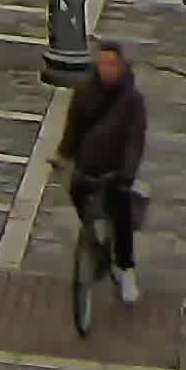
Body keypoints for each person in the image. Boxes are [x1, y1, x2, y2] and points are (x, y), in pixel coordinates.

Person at [55, 38, 150, 303]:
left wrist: (127, 172)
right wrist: (63, 155)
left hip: (115, 169)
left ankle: (125, 269)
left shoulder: (132, 100)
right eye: (102, 63)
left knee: (121, 216)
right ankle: (93, 242)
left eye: (111, 64)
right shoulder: (85, 92)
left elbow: (135, 140)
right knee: (78, 193)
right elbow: (73, 128)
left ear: (120, 66)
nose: (106, 69)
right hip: (87, 165)